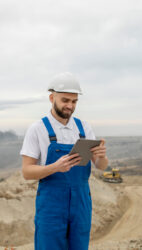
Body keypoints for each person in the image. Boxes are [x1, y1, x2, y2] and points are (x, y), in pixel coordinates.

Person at [20, 72, 108, 250]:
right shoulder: (38, 129)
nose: (70, 106)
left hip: (82, 201)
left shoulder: (84, 128)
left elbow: (100, 166)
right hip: (52, 203)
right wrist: (54, 167)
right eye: (65, 100)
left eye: (74, 101)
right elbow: (27, 172)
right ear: (52, 98)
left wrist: (102, 156)